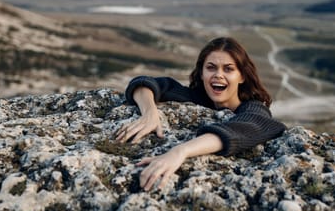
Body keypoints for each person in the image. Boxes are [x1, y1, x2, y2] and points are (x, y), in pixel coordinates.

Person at [115, 37, 286, 191]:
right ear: (202, 73)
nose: (218, 75)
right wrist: (149, 112)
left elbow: (244, 128)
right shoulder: (195, 98)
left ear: (242, 76)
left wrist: (180, 152)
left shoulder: (254, 108)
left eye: (228, 69)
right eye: (211, 68)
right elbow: (145, 83)